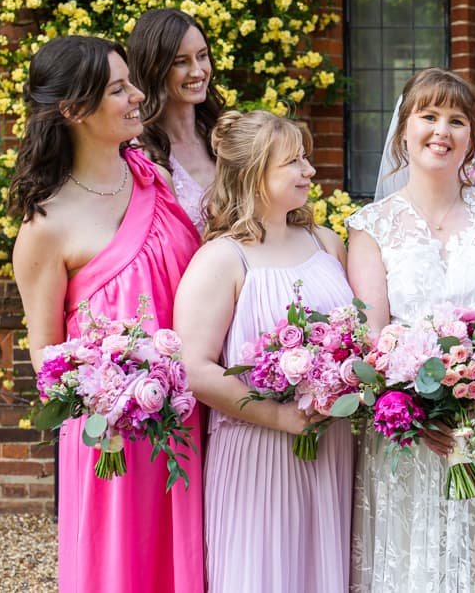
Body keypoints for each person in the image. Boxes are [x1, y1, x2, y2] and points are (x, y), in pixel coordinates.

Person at [10, 36, 204, 593]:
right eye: (118, 89)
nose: (138, 96)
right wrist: (110, 400)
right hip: (115, 441)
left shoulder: (156, 180)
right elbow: (47, 359)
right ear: (74, 109)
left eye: (131, 83)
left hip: (188, 419)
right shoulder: (45, 228)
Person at [346, 68, 475, 592]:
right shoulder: (371, 226)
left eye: (457, 120)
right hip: (412, 433)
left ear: (472, 138)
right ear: (403, 128)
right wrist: (415, 401)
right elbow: (373, 337)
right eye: (428, 116)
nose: (441, 131)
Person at [174, 111, 354, 592]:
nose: (309, 171)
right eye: (293, 162)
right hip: (258, 453)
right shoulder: (222, 259)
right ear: (255, 177)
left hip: (330, 447)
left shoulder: (327, 245)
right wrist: (281, 419)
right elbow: (193, 368)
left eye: (306, 158)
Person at [128, 8, 225, 233]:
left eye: (202, 56)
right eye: (181, 62)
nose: (198, 71)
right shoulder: (138, 154)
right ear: (154, 69)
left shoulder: (225, 135)